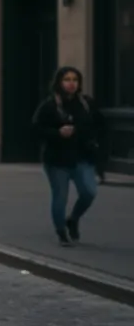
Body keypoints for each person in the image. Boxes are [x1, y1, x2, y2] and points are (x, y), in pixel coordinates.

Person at [32, 66, 105, 246]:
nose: (71, 83)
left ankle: (73, 218)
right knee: (60, 196)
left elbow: (100, 125)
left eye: (75, 80)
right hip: (58, 159)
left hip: (82, 157)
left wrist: (95, 146)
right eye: (67, 80)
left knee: (89, 192)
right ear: (59, 82)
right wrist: (57, 132)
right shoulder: (50, 105)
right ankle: (61, 232)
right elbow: (36, 129)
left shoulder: (86, 104)